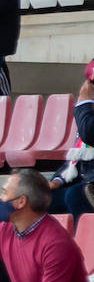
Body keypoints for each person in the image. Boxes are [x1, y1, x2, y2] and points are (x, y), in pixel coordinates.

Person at [52, 73, 94, 217]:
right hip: (83, 182)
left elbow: (90, 133)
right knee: (28, 199)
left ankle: (83, 239)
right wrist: (57, 180)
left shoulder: (87, 113)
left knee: (75, 195)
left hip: (87, 186)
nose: (87, 87)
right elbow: (77, 158)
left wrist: (84, 102)